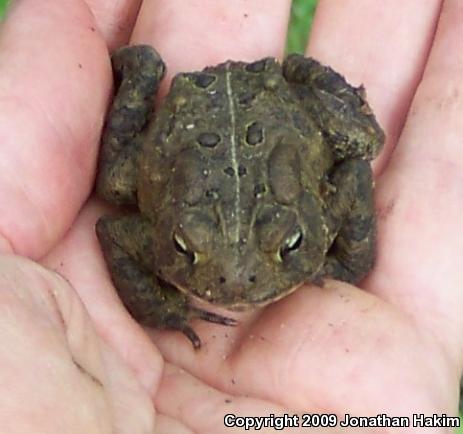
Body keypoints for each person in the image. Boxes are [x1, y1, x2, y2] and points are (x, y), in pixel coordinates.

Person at [0, 0, 460, 432]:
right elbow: (114, 232)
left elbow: (357, 171)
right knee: (117, 183)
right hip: (189, 119)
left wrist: (350, 259)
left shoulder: (311, 212)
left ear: (304, 224)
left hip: (278, 107)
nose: (236, 282)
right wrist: (161, 307)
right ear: (176, 237)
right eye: (188, 250)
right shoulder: (169, 232)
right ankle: (140, 73)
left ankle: (232, 73)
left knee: (365, 138)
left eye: (288, 247)